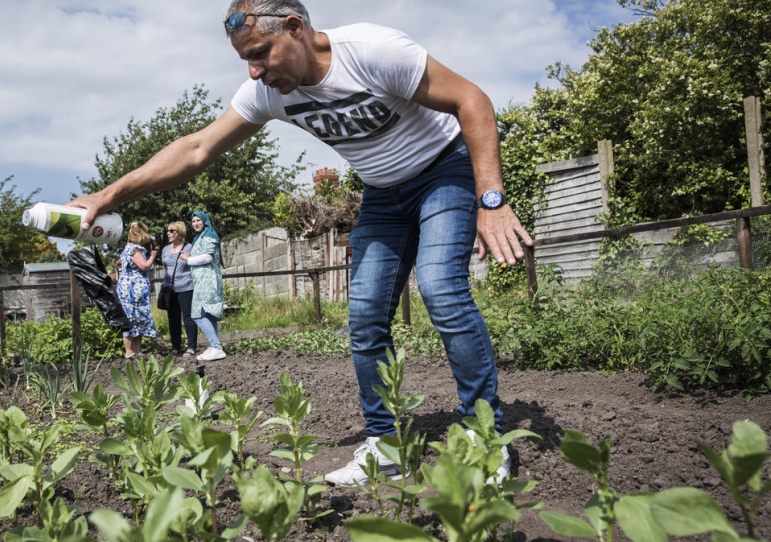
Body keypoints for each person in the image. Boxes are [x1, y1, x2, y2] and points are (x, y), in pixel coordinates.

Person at [69, 0, 533, 486]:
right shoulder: (267, 92)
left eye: (261, 53)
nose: (255, 70)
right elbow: (197, 147)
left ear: (295, 28)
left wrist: (492, 200)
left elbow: (471, 100)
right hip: (380, 192)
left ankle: (485, 437)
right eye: (245, 59)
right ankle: (386, 446)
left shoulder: (373, 51)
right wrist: (108, 195)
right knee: (366, 315)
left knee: (441, 289)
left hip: (444, 171)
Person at [179, 211, 226, 361]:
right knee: (208, 315)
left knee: (197, 315)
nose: (196, 223)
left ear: (204, 221)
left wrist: (188, 259)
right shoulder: (199, 237)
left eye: (198, 220)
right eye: (193, 221)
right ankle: (213, 347)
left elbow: (207, 257)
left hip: (208, 281)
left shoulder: (209, 236)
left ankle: (216, 347)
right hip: (202, 281)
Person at [116, 222, 158, 358]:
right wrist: (153, 255)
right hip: (132, 290)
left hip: (132, 289)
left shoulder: (129, 248)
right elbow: (144, 266)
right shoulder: (133, 249)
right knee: (131, 318)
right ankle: (130, 352)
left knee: (138, 319)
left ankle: (137, 351)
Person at [162, 220, 198, 357]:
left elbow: (194, 265)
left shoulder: (189, 247)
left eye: (172, 231)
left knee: (188, 317)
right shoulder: (165, 249)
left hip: (186, 287)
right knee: (173, 318)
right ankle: (176, 347)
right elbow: (165, 268)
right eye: (168, 231)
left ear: (179, 232)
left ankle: (191, 347)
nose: (168, 233)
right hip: (170, 290)